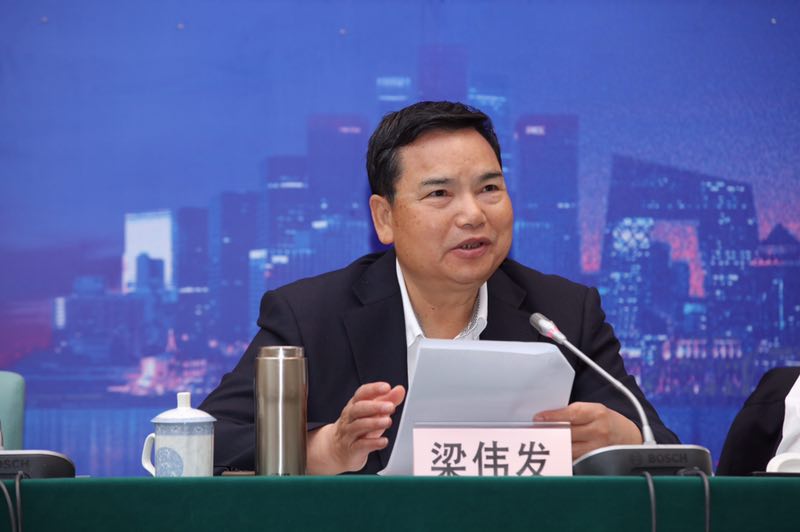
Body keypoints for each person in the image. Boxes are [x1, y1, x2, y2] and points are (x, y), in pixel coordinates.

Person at [199, 101, 678, 475]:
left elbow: (675, 459)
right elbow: (207, 442)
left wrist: (626, 439)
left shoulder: (563, 313)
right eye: (439, 194)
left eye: (489, 189)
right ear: (384, 218)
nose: (473, 214)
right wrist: (324, 448)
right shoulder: (310, 315)